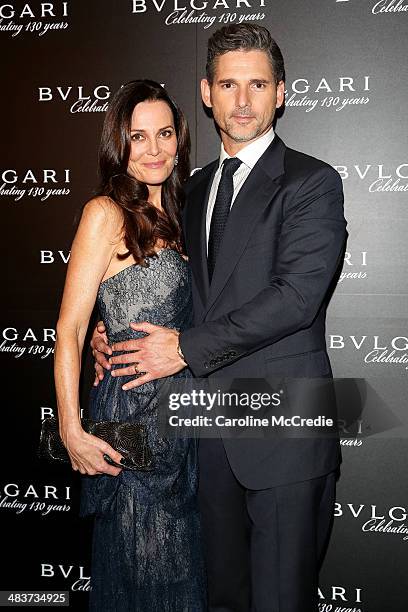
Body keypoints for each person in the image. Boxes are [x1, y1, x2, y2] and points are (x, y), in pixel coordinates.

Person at [92, 25, 347, 612]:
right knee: (222, 598)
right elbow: (165, 284)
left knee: (282, 600)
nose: (242, 101)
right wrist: (113, 330)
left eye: (257, 84)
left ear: (280, 93)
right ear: (206, 93)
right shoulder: (192, 188)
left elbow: (295, 298)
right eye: (228, 85)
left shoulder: (312, 183)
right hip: (204, 438)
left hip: (286, 433)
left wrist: (183, 348)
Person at [54, 79, 206, 612]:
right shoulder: (105, 214)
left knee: (184, 584)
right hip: (132, 426)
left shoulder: (191, 217)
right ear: (118, 144)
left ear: (179, 140)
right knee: (140, 581)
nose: (154, 149)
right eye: (137, 137)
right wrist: (70, 428)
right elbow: (71, 329)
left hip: (185, 432)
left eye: (164, 134)